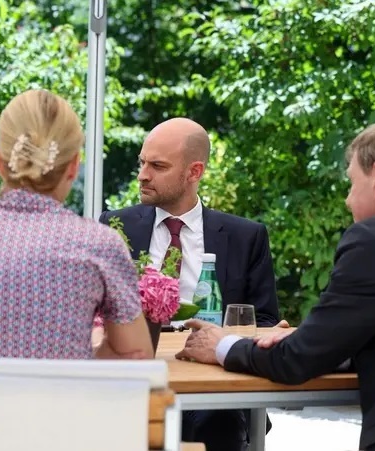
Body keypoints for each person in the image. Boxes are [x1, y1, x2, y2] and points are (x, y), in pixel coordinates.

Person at [177, 115, 375, 451]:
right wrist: (323, 338)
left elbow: (297, 360)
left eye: (352, 183)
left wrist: (223, 345)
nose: (348, 200)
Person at [0, 88, 153, 360]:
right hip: (63, 389)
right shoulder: (99, 243)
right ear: (73, 166)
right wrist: (80, 359)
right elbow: (136, 353)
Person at [99, 117, 281, 451]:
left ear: (194, 172)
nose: (142, 175)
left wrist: (227, 341)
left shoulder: (245, 236)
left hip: (214, 383)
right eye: (142, 163)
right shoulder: (114, 227)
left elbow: (265, 320)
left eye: (157, 166)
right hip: (136, 378)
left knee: (218, 421)